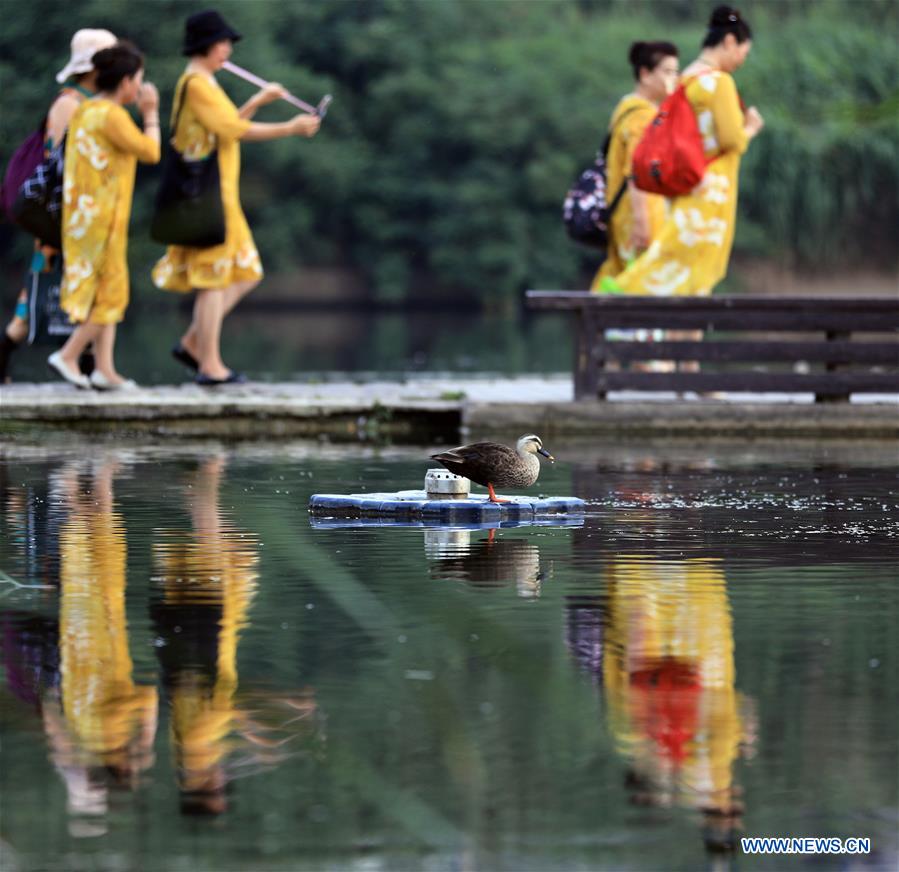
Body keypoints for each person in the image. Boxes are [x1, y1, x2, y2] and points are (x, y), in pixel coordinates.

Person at [152, 9, 321, 386]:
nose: (228, 50)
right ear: (207, 45)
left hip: (221, 195)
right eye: (224, 43)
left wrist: (260, 101)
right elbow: (233, 129)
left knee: (247, 272)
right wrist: (289, 127)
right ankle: (210, 366)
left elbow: (225, 129)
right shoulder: (195, 83)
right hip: (205, 197)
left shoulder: (207, 83)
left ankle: (194, 344)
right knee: (213, 279)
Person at [599, 6, 764, 298]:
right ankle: (623, 291)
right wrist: (750, 127)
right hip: (713, 185)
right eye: (743, 52)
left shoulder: (686, 78)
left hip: (688, 181)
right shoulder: (719, 82)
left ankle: (625, 291)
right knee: (696, 272)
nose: (741, 60)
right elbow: (732, 140)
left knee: (675, 255)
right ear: (729, 42)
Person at [0, 28, 117, 382]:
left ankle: (91, 367)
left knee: (83, 288)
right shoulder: (69, 102)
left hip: (83, 213)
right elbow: (59, 162)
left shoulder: (96, 102)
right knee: (44, 291)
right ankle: (87, 366)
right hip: (62, 216)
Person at [47, 42, 161, 390]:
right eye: (138, 80)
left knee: (103, 293)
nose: (140, 88)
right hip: (103, 220)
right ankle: (69, 355)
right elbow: (151, 151)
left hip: (82, 217)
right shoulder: (112, 116)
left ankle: (105, 370)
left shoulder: (86, 110)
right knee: (113, 296)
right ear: (126, 82)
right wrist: (151, 113)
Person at [592, 41, 679, 289]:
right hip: (639, 215)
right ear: (644, 74)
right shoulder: (641, 116)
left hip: (623, 213)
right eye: (667, 71)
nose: (673, 79)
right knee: (641, 285)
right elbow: (636, 171)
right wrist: (642, 222)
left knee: (624, 277)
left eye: (675, 72)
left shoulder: (626, 107)